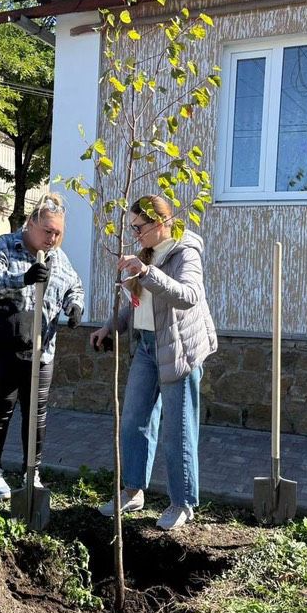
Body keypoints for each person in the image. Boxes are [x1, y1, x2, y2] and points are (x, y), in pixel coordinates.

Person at [90, 195, 218, 530]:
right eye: (131, 227)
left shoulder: (185, 252)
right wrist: (110, 327)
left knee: (177, 431)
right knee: (134, 420)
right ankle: (133, 490)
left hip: (179, 351)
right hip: (146, 348)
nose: (134, 234)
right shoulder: (145, 253)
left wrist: (146, 272)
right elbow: (138, 305)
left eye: (139, 227)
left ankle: (183, 503)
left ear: (160, 222)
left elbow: (188, 296)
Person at [0, 193, 85, 500]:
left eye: (58, 233)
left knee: (36, 413)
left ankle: (31, 472)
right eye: (47, 230)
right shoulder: (6, 245)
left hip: (41, 349)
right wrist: (22, 278)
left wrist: (75, 306)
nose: (52, 238)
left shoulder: (58, 257)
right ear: (31, 223)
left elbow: (73, 286)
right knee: (2, 408)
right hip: (1, 345)